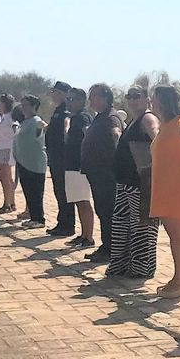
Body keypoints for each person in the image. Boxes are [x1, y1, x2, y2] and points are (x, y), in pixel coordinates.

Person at [148, 85, 180, 299]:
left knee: (178, 233)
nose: (151, 102)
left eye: (154, 98)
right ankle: (178, 278)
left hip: (178, 185)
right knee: (173, 233)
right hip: (166, 186)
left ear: (163, 102)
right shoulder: (165, 126)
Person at [106, 86, 160, 280]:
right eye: (129, 97)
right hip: (125, 182)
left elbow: (157, 138)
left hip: (140, 182)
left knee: (142, 226)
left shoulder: (148, 118)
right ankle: (121, 265)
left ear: (147, 99)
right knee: (121, 225)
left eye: (137, 96)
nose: (133, 100)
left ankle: (141, 267)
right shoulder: (133, 121)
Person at [81, 84, 122, 263]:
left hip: (106, 174)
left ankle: (111, 249)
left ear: (105, 97)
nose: (91, 100)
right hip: (96, 173)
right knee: (102, 210)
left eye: (94, 96)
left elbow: (116, 138)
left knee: (107, 211)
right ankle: (107, 246)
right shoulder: (100, 117)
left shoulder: (111, 118)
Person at [62, 87, 96, 248]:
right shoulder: (73, 118)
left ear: (81, 101)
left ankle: (89, 237)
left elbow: (88, 136)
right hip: (71, 164)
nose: (69, 102)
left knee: (83, 200)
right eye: (67, 99)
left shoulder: (83, 117)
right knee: (77, 200)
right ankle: (83, 234)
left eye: (72, 99)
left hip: (79, 165)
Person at [12, 95, 48, 226]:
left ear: (34, 106)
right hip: (23, 163)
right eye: (22, 105)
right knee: (28, 192)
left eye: (26, 105)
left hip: (35, 163)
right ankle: (33, 217)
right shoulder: (24, 122)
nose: (23, 108)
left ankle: (39, 219)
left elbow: (41, 133)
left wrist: (41, 128)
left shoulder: (37, 121)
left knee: (36, 192)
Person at [45, 82, 75, 237]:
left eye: (56, 92)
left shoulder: (65, 111)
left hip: (61, 157)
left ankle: (67, 225)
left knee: (64, 192)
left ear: (63, 94)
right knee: (59, 191)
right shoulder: (58, 110)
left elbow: (65, 134)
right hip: (54, 157)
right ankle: (62, 222)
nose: (53, 95)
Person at [0, 93, 18, 214]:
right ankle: (11, 202)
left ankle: (7, 204)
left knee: (4, 176)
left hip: (6, 149)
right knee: (7, 177)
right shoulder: (5, 117)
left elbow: (15, 130)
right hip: (1, 149)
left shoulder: (10, 117)